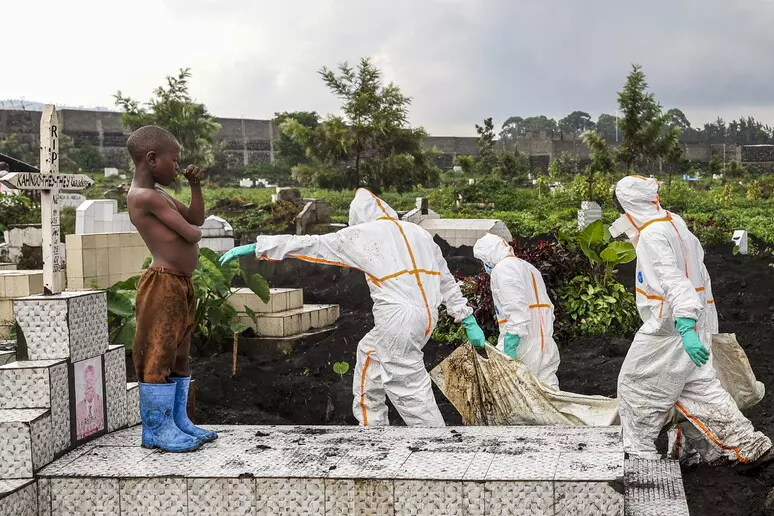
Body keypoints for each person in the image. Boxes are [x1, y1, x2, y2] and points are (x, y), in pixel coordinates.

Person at [220, 188, 486, 427]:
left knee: (408, 387)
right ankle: (372, 426)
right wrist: (466, 319)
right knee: (369, 352)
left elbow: (315, 244)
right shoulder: (419, 233)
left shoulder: (365, 233)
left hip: (398, 318)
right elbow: (446, 279)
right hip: (427, 315)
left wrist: (260, 247)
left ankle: (436, 445)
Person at [613, 175, 772, 468]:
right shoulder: (674, 223)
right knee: (699, 387)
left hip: (669, 327)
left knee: (635, 385)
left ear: (629, 204)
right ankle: (749, 444)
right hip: (692, 320)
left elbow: (675, 283)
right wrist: (700, 324)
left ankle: (639, 453)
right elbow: (699, 272)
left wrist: (685, 326)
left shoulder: (652, 235)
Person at [127, 125, 216, 453]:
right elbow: (192, 232)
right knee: (158, 353)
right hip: (162, 284)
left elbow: (196, 216)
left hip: (180, 283)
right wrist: (191, 228)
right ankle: (156, 429)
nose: (177, 167)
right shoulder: (144, 196)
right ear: (152, 159)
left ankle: (178, 421)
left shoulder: (160, 194)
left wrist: (195, 186)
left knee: (179, 353)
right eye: (174, 161)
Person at [472, 233, 560, 390]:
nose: (484, 265)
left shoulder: (503, 269)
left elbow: (516, 309)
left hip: (522, 343)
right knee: (549, 396)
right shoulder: (529, 268)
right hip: (545, 342)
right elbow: (546, 307)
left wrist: (510, 344)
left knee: (505, 393)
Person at [76, 365, 104, 439]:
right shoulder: (79, 409)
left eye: (91, 380)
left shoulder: (101, 403)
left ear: (95, 382)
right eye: (86, 381)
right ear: (83, 384)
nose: (89, 385)